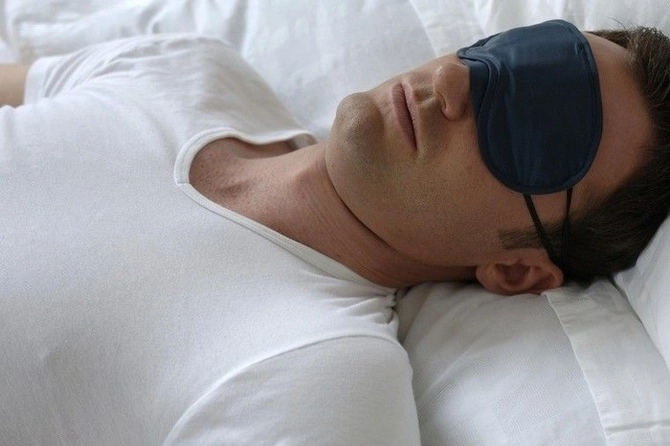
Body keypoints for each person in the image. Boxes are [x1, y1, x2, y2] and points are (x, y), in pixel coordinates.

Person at [1, 20, 668, 444]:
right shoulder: (188, 70)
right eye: (501, 54)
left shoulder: (317, 381)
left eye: (533, 133)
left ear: (518, 269)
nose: (450, 78)